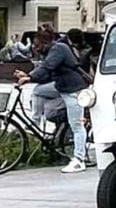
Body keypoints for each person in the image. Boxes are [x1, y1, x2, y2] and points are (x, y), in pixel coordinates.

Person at [14, 27, 90, 173]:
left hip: (74, 89)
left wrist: (29, 77)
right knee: (40, 95)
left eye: (37, 45)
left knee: (77, 126)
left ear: (45, 43)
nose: (35, 49)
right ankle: (36, 123)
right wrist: (28, 75)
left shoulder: (58, 49)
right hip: (61, 87)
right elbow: (46, 72)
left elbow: (47, 67)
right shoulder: (51, 50)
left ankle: (79, 160)